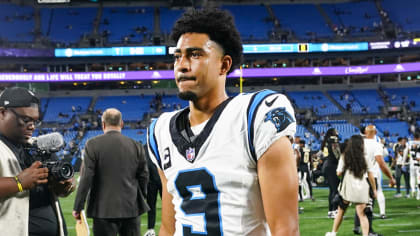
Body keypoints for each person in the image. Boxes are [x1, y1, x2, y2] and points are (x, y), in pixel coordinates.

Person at [147, 8, 299, 235]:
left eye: (195, 54)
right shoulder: (160, 131)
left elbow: (285, 230)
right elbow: (169, 227)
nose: (182, 65)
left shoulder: (255, 115)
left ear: (224, 65)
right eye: (178, 56)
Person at [0, 87, 74, 236]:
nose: (32, 126)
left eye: (35, 121)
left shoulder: (38, 145)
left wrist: (66, 186)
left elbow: (62, 186)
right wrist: (18, 182)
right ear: (2, 113)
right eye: (25, 120)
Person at [73, 108, 149, 236]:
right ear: (122, 124)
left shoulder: (92, 144)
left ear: (103, 124)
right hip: (131, 208)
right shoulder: (136, 145)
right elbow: (144, 176)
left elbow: (86, 177)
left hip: (102, 209)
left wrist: (78, 206)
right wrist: (141, 197)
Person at [326, 135, 377, 236]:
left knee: (341, 211)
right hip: (362, 187)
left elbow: (338, 173)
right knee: (362, 214)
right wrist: (374, 190)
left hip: (348, 187)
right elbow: (371, 175)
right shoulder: (365, 157)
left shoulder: (344, 156)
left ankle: (333, 233)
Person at [353, 125, 396, 236]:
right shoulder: (376, 145)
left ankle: (357, 226)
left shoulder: (359, 143)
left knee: (360, 203)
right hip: (369, 176)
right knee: (369, 205)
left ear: (365, 132)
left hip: (356, 176)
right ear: (376, 132)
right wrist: (391, 177)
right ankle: (369, 231)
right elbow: (381, 163)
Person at [321, 128, 341, 218]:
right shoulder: (333, 141)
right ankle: (334, 210)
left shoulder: (326, 141)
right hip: (333, 166)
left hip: (327, 166)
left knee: (332, 190)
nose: (338, 132)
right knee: (335, 189)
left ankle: (331, 211)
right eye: (336, 131)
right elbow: (337, 155)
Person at [144, 144, 162, 236]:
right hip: (151, 182)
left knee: (170, 206)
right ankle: (151, 229)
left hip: (163, 181)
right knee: (151, 206)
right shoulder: (144, 148)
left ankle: (173, 226)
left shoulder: (161, 144)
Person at [408, 132, 420, 200]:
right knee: (419, 180)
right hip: (418, 163)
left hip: (412, 163)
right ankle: (418, 195)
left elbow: (408, 153)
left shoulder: (410, 143)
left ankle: (413, 190)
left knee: (412, 177)